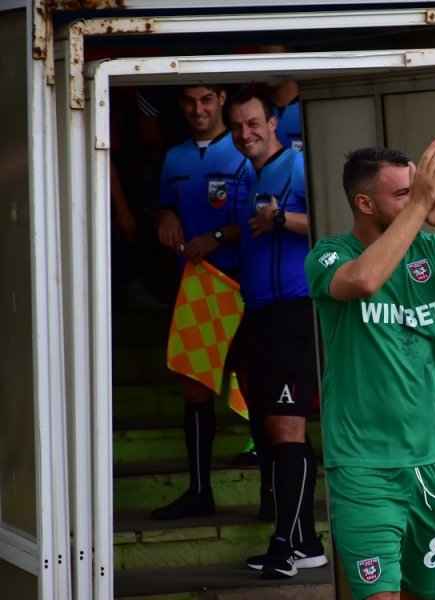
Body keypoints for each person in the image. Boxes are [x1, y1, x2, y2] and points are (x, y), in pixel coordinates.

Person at [304, 140, 435, 599]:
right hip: (363, 467)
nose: (419, 199)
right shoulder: (329, 254)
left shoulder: (433, 250)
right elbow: (364, 280)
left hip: (430, 461)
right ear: (364, 203)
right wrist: (419, 207)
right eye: (403, 193)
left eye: (417, 190)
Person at [224, 87, 327, 579]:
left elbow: (334, 225)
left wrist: (281, 217)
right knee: (269, 430)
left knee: (288, 429)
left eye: (253, 123)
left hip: (295, 314)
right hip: (259, 315)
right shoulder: (249, 175)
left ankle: (284, 546)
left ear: (272, 122)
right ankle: (306, 542)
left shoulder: (299, 166)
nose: (245, 133)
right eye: (236, 126)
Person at [151, 83, 251, 520]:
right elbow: (164, 205)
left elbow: (260, 216)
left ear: (222, 99)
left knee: (255, 384)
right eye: (190, 101)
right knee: (194, 385)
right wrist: (166, 215)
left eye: (207, 99)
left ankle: (273, 496)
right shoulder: (174, 157)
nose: (198, 109)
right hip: (196, 285)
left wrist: (216, 237)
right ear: (180, 104)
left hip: (243, 283)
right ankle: (199, 491)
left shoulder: (245, 149)